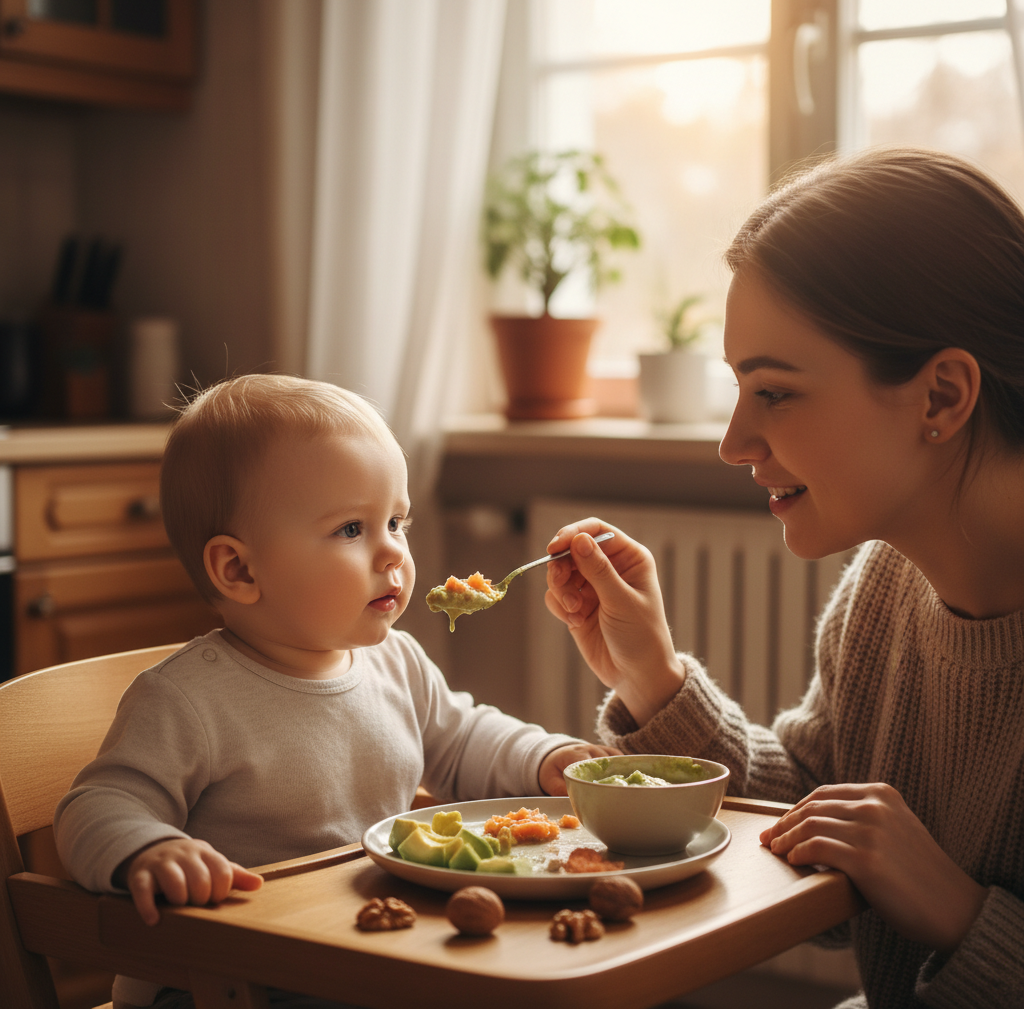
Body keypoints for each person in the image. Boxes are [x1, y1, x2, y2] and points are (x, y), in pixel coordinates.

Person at [543, 149, 1024, 1009]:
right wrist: (654, 679)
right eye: (738, 389)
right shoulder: (884, 587)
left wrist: (959, 914)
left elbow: (888, 866)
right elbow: (815, 819)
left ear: (942, 397)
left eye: (774, 392)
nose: (734, 443)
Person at [54, 374, 615, 1009]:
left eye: (396, 522)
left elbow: (461, 739)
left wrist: (544, 759)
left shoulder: (395, 663)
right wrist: (148, 849)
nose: (394, 555)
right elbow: (94, 805)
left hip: (360, 957)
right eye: (352, 529)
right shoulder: (188, 700)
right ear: (239, 569)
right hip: (222, 982)